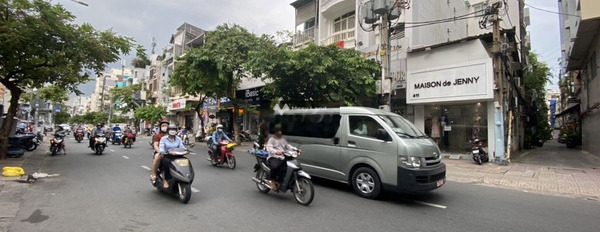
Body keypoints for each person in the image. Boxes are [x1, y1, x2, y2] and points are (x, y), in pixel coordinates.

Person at [265, 125, 301, 190]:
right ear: (276, 132)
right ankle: (271, 181)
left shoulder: (282, 140)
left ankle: (281, 180)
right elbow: (269, 148)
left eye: (281, 131)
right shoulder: (272, 139)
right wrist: (276, 151)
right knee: (275, 166)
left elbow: (288, 146)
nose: (280, 133)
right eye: (279, 131)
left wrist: (296, 149)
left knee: (286, 167)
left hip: (282, 157)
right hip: (273, 157)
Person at [150, 120, 170, 185]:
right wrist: (160, 151)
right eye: (163, 126)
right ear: (160, 127)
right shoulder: (157, 135)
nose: (164, 127)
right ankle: (154, 174)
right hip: (161, 152)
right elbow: (155, 145)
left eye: (166, 125)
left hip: (171, 152)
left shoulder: (172, 135)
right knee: (157, 156)